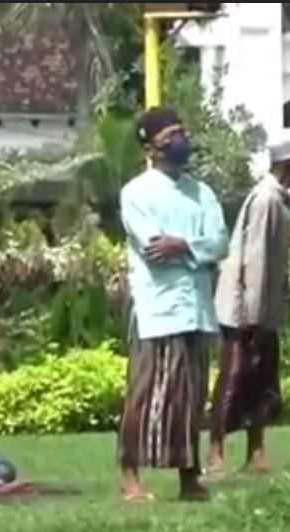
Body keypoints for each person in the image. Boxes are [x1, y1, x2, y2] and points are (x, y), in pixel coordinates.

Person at [118, 107, 228, 502]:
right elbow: (152, 248)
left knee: (190, 398)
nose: (181, 142)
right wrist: (194, 250)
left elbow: (220, 243)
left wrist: (183, 244)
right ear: (151, 147)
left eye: (183, 132)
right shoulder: (136, 193)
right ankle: (129, 475)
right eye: (171, 137)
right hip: (157, 311)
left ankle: (189, 478)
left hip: (197, 309)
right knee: (146, 395)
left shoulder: (202, 192)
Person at [208, 132, 290, 473]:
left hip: (264, 307)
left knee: (263, 379)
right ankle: (215, 453)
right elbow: (254, 261)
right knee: (235, 377)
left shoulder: (280, 198)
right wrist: (253, 317)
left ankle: (256, 452)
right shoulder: (266, 200)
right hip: (244, 309)